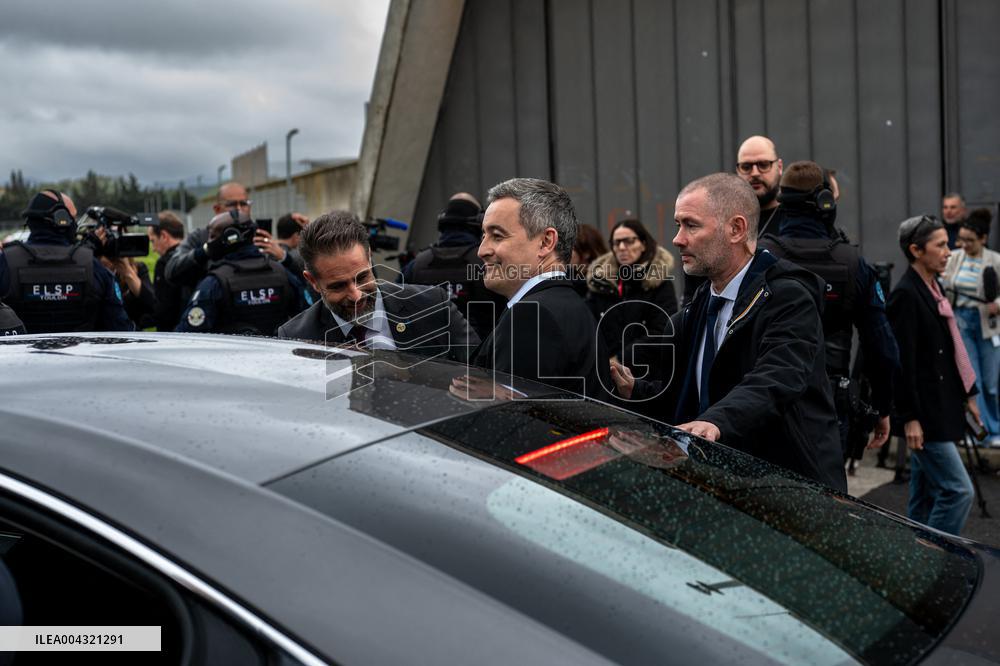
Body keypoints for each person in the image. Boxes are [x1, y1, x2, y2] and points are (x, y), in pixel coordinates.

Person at [611, 173, 846, 491]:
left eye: (691, 225)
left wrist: (715, 421)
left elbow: (777, 377)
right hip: (719, 486)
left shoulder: (789, 298)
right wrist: (636, 390)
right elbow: (690, 392)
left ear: (736, 229)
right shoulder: (698, 307)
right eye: (678, 225)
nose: (678, 239)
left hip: (789, 492)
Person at [758, 161, 898, 457]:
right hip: (827, 409)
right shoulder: (853, 264)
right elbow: (882, 349)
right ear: (825, 202)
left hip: (763, 401)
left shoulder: (758, 258)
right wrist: (882, 408)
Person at [472, 177, 611, 400]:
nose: (482, 250)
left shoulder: (531, 315)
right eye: (483, 235)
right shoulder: (564, 304)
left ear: (546, 242)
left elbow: (512, 417)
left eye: (497, 236)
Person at [278, 210, 478, 362]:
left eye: (362, 277)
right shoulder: (296, 338)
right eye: (338, 286)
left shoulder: (433, 305)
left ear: (370, 258)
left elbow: (483, 376)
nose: (356, 295)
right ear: (313, 281)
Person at [887, 215, 976, 535]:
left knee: (924, 496)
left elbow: (946, 352)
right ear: (916, 250)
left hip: (939, 407)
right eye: (940, 245)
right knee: (958, 491)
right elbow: (901, 364)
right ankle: (935, 554)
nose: (949, 251)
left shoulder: (934, 288)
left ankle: (914, 554)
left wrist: (968, 394)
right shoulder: (906, 295)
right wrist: (910, 418)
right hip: (925, 415)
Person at [0, 190, 132, 333]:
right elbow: (121, 329)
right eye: (73, 218)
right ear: (61, 219)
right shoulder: (93, 266)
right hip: (81, 348)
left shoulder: (5, 261)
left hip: (20, 348)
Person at [684, 135, 786, 306]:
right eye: (746, 167)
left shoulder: (794, 220)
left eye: (763, 165)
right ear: (738, 171)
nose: (755, 173)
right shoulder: (718, 220)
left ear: (779, 167)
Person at [176, 212, 310, 336]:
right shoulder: (283, 274)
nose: (208, 242)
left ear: (230, 237)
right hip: (279, 353)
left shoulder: (213, 284)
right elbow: (308, 321)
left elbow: (187, 335)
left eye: (212, 236)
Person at [403, 192, 504, 340]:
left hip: (425, 351)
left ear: (443, 221)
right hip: (479, 352)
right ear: (480, 221)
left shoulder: (415, 265)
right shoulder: (488, 262)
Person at [586, 215, 678, 370]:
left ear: (643, 244)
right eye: (616, 243)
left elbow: (663, 331)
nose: (622, 247)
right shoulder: (601, 283)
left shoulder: (659, 283)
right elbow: (589, 327)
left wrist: (620, 359)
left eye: (629, 241)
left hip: (648, 373)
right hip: (604, 372)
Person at [943, 209, 1000, 446]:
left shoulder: (995, 260)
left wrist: (997, 304)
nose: (964, 244)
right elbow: (942, 282)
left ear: (983, 239)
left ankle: (994, 431)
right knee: (971, 379)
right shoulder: (954, 257)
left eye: (970, 240)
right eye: (962, 239)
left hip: (987, 324)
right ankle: (978, 433)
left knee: (990, 381)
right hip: (960, 322)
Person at [147, 212, 187, 331]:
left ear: (164, 236)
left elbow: (163, 310)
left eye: (153, 241)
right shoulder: (193, 258)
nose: (153, 249)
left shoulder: (164, 264)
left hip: (172, 335)